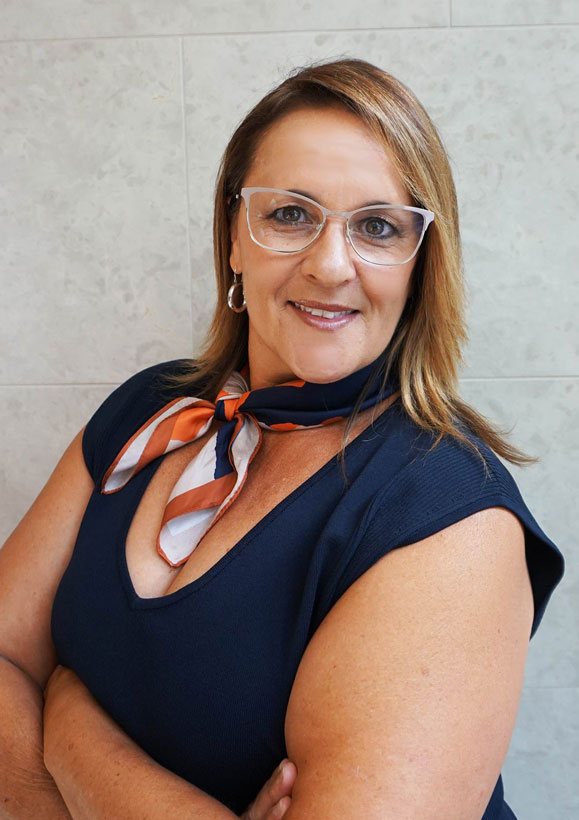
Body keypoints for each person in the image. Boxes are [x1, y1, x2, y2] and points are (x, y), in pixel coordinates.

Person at [0, 58, 564, 820]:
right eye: (290, 214)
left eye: (377, 226)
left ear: (419, 265)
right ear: (233, 237)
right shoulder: (145, 409)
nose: (330, 265)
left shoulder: (448, 513)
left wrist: (70, 728)